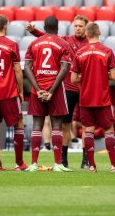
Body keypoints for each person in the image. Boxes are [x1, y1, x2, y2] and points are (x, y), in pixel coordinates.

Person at [26, 15, 89, 168]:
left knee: (87, 125)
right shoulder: (65, 40)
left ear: (86, 27)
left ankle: (86, 160)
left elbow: (47, 38)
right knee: (64, 125)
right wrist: (34, 31)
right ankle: (63, 159)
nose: (78, 28)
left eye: (81, 26)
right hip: (67, 88)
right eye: (76, 26)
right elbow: (47, 37)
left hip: (84, 89)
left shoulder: (90, 44)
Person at [71, 22, 115, 173]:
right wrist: (105, 73)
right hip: (102, 98)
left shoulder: (80, 53)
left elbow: (73, 79)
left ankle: (91, 166)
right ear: (99, 33)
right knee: (108, 130)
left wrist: (87, 75)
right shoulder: (107, 51)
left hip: (85, 99)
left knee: (88, 130)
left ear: (86, 34)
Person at [24, 16, 72, 172]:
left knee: (37, 126)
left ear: (44, 27)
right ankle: (58, 164)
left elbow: (27, 68)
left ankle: (33, 164)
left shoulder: (34, 43)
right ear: (57, 28)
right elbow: (64, 69)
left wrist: (38, 90)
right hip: (55, 90)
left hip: (36, 89)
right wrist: (51, 91)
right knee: (56, 126)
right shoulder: (63, 44)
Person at [0, 14, 27, 171]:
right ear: (5, 26)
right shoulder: (11, 44)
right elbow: (17, 70)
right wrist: (21, 91)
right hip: (8, 91)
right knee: (18, 124)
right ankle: (19, 163)